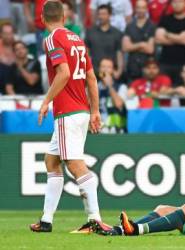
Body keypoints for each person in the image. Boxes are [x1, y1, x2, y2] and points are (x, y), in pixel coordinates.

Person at [30, 0, 109, 233]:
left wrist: (46, 101)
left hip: (68, 111)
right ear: (64, 18)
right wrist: (95, 110)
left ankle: (95, 219)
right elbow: (91, 78)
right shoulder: (78, 40)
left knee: (75, 165)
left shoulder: (52, 39)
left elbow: (63, 72)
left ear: (43, 19)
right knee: (51, 161)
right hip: (81, 109)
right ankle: (46, 220)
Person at [155, 0, 185, 85]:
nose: (177, 4)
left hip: (183, 64)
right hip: (165, 63)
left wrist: (168, 34)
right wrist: (180, 38)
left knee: (181, 91)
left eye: (180, 2)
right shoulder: (165, 19)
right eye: (174, 2)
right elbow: (158, 39)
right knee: (163, 90)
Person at [85, 4, 124, 79]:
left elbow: (119, 54)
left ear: (110, 15)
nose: (101, 16)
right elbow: (87, 53)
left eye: (103, 14)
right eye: (99, 14)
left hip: (111, 73)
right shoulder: (90, 32)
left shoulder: (117, 33)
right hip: (95, 73)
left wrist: (119, 71)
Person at [122, 0, 156, 81]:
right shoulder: (129, 26)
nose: (140, 10)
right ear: (135, 9)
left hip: (147, 68)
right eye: (138, 7)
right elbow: (125, 47)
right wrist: (142, 44)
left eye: (143, 7)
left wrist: (133, 46)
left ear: (147, 9)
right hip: (132, 67)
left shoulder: (152, 26)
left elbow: (150, 49)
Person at [98, 58, 128, 133]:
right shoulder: (94, 87)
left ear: (113, 70)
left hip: (116, 131)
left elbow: (119, 104)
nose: (105, 69)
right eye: (103, 66)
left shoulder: (122, 87)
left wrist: (109, 86)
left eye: (108, 67)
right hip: (98, 130)